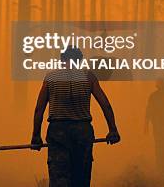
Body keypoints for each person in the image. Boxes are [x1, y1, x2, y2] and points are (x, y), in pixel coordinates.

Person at [30, 46, 120, 187]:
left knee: (59, 178)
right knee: (81, 179)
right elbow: (105, 105)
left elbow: (38, 110)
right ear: (79, 61)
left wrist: (36, 136)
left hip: (58, 132)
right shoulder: (88, 77)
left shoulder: (51, 78)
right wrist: (113, 130)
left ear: (62, 59)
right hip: (82, 132)